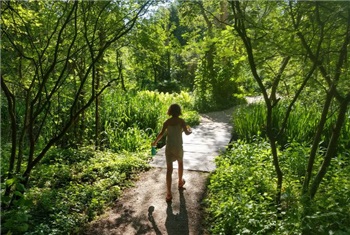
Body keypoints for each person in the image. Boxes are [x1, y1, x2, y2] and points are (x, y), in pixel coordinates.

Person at [152, 104, 192, 202]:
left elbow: (161, 134)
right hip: (178, 147)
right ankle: (180, 182)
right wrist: (189, 130)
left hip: (169, 147)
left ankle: (169, 193)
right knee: (180, 163)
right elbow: (187, 133)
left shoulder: (167, 122)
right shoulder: (181, 121)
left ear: (170, 111)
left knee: (169, 170)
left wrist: (154, 143)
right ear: (179, 111)